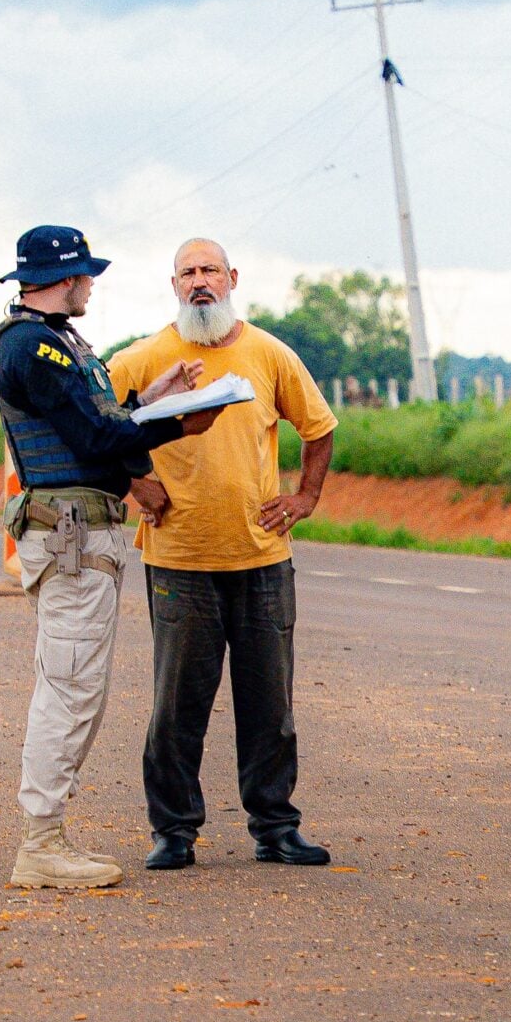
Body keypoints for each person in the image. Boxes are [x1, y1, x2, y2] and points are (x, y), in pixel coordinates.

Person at [0, 224, 224, 890]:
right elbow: (92, 436)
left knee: (75, 688)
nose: (91, 283)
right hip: (71, 537)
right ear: (67, 279)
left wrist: (151, 401)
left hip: (78, 534)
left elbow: (96, 418)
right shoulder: (34, 349)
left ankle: (47, 837)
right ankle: (40, 843)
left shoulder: (51, 344)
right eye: (86, 274)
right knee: (68, 689)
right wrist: (178, 418)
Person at [108, 238, 340, 871]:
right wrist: (133, 481)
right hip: (179, 558)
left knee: (270, 702)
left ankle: (274, 827)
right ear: (174, 285)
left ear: (233, 277)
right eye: (189, 273)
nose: (200, 281)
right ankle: (174, 831)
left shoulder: (269, 353)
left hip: (262, 556)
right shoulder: (143, 357)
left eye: (211, 270)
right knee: (176, 705)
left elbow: (318, 428)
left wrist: (305, 497)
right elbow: (95, 424)